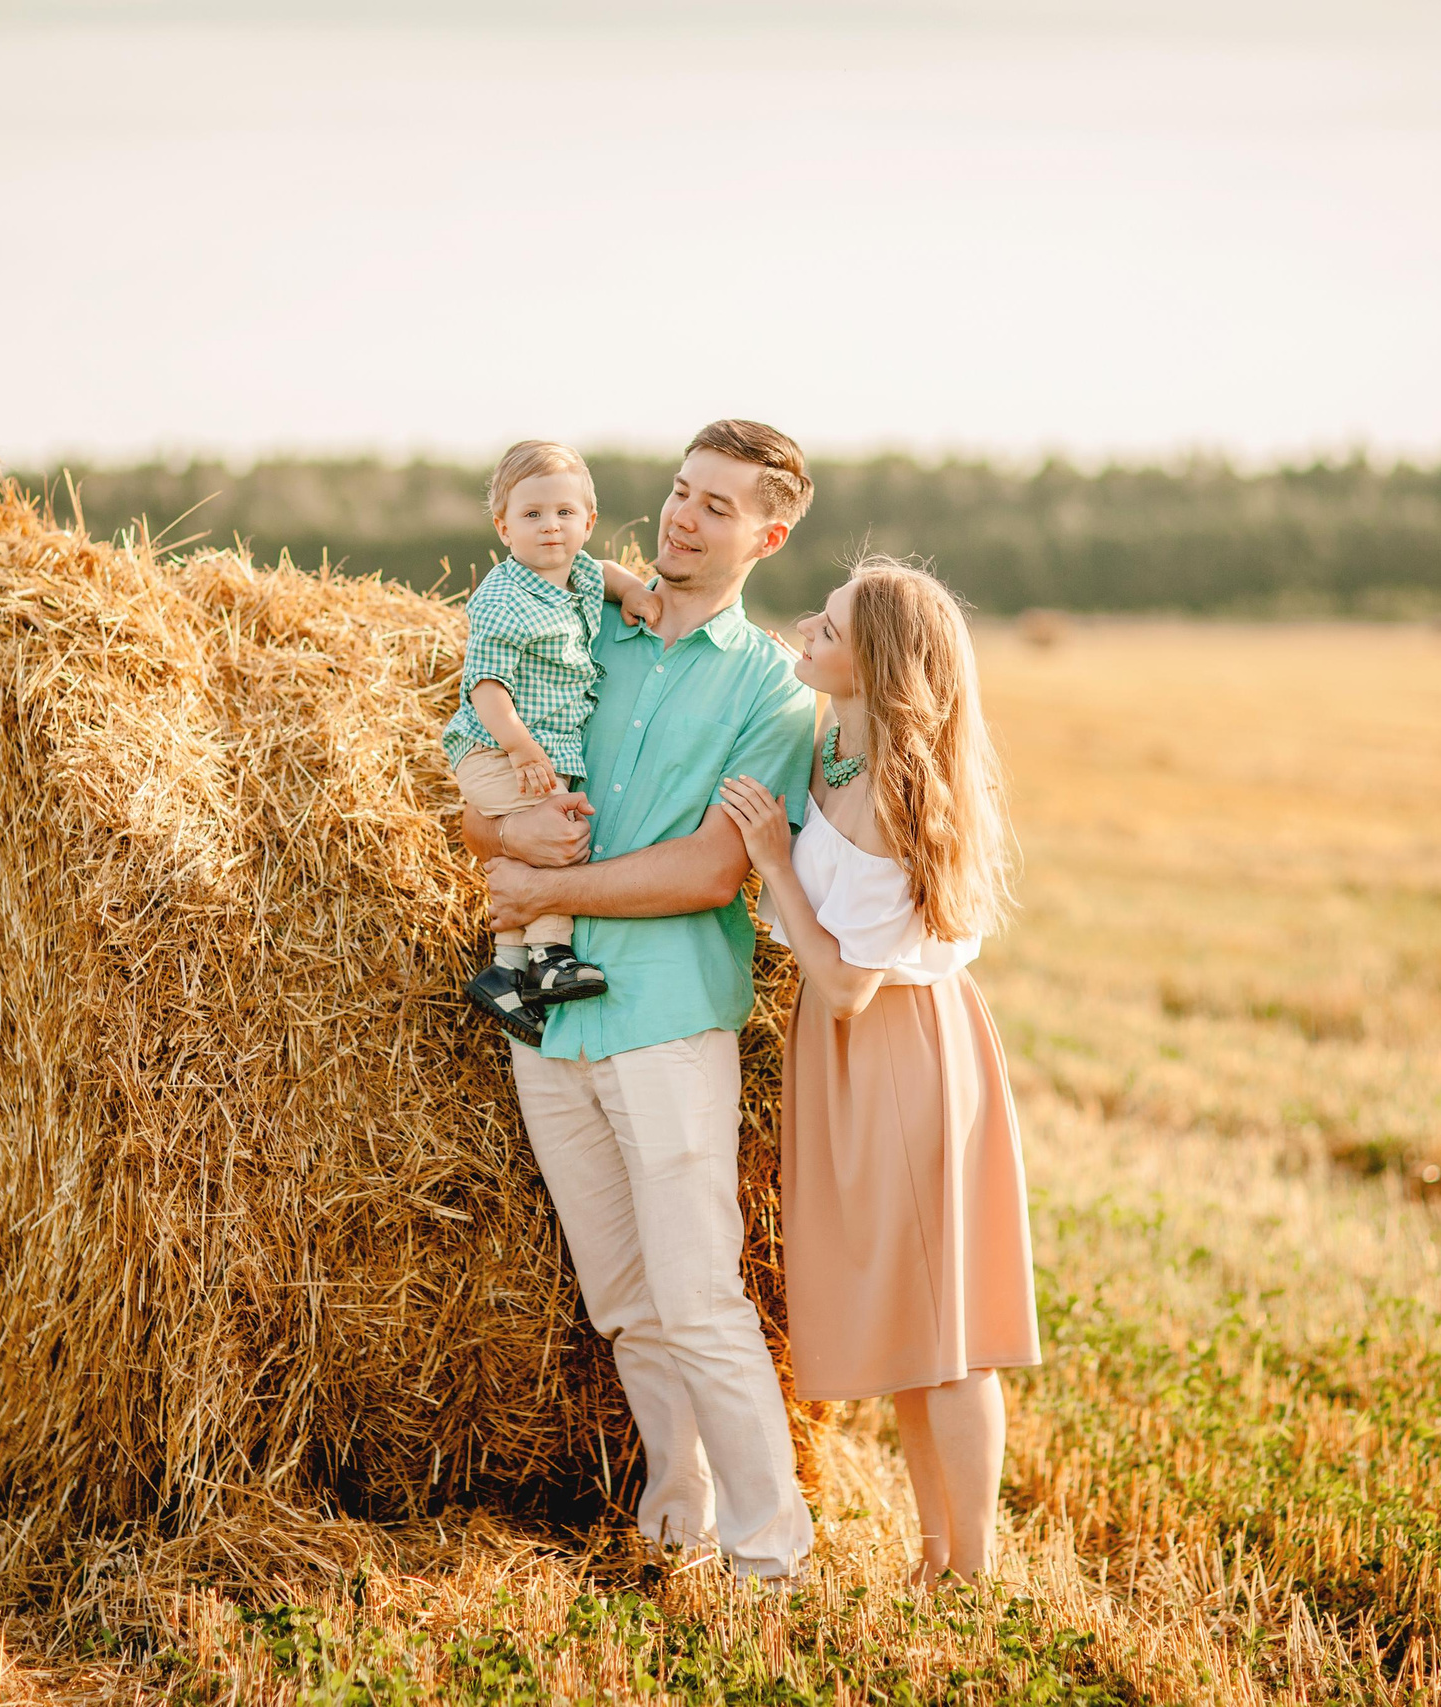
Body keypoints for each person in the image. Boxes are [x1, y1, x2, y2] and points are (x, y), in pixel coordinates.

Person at [471, 419, 820, 1581]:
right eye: (679, 492)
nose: (682, 516)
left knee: (698, 1295)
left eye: (717, 506)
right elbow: (482, 809)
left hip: (668, 1019)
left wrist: (549, 880)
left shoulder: (770, 687)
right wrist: (505, 844)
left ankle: (773, 1563)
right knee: (622, 1298)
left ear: (765, 536)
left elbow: (711, 870)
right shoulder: (580, 630)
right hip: (552, 1018)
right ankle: (681, 1520)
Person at [716, 556, 1040, 1585]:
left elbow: (848, 984)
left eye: (831, 623)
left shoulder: (895, 794)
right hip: (853, 1057)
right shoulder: (840, 752)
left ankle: (973, 1572)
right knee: (913, 1322)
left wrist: (771, 861)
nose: (806, 627)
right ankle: (933, 1556)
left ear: (879, 663)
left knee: (946, 1330)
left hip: (895, 1052)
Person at [445, 440, 664, 1041]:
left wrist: (638, 594)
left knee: (533, 841)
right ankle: (550, 958)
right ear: (503, 527)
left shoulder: (584, 575)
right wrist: (517, 746)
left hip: (543, 751)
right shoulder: (502, 594)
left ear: (588, 522)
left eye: (566, 513)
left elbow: (610, 574)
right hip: (497, 747)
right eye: (532, 515)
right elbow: (485, 687)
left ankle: (506, 970)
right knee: (553, 835)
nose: (551, 527)